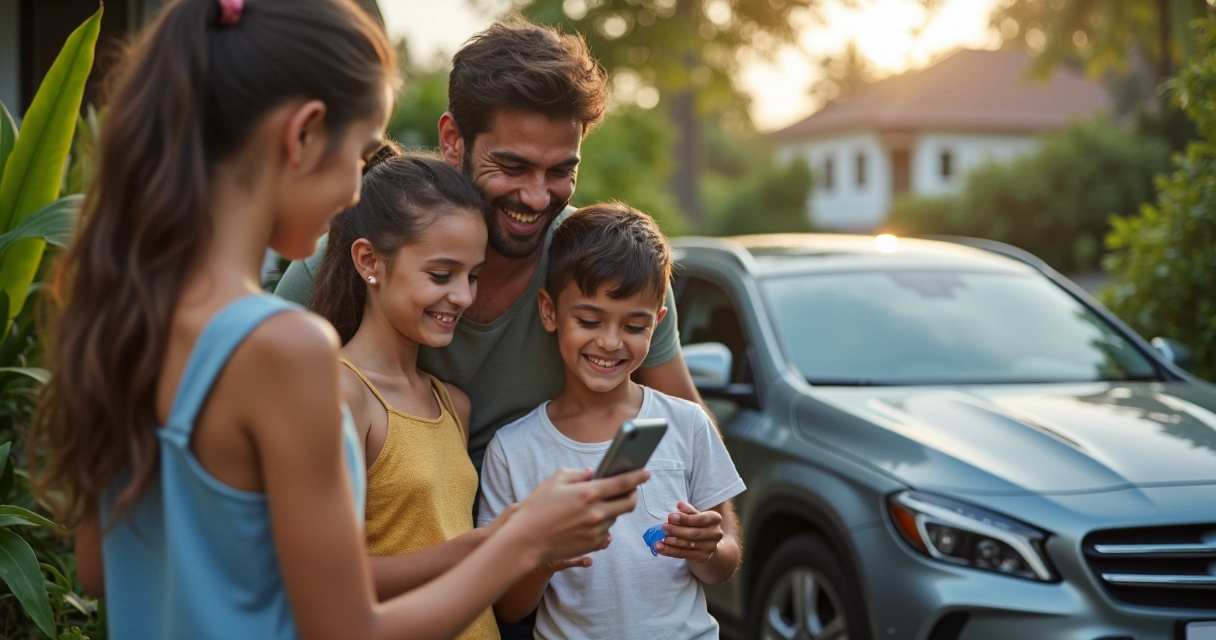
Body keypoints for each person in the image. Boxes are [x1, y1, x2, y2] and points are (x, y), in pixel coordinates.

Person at [30, 2, 648, 639]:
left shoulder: (134, 317)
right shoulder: (289, 346)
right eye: (357, 156)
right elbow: (349, 629)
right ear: (302, 136)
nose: (357, 195)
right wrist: (520, 541)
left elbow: (101, 568)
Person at [274, 19, 703, 475]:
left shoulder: (605, 269)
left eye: (560, 170)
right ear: (453, 140)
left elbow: (689, 436)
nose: (537, 197)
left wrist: (710, 536)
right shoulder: (352, 256)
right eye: (512, 166)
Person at [478, 203, 746, 640]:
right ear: (549, 311)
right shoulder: (512, 450)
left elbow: (724, 562)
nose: (609, 342)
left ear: (657, 325)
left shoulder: (687, 423)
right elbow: (507, 607)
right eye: (588, 320)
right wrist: (543, 560)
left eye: (634, 327)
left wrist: (708, 548)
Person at [310, 145, 501, 637]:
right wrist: (495, 544)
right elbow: (329, 580)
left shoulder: (452, 404)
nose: (462, 296)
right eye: (441, 275)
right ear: (369, 261)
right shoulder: (340, 393)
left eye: (472, 276)